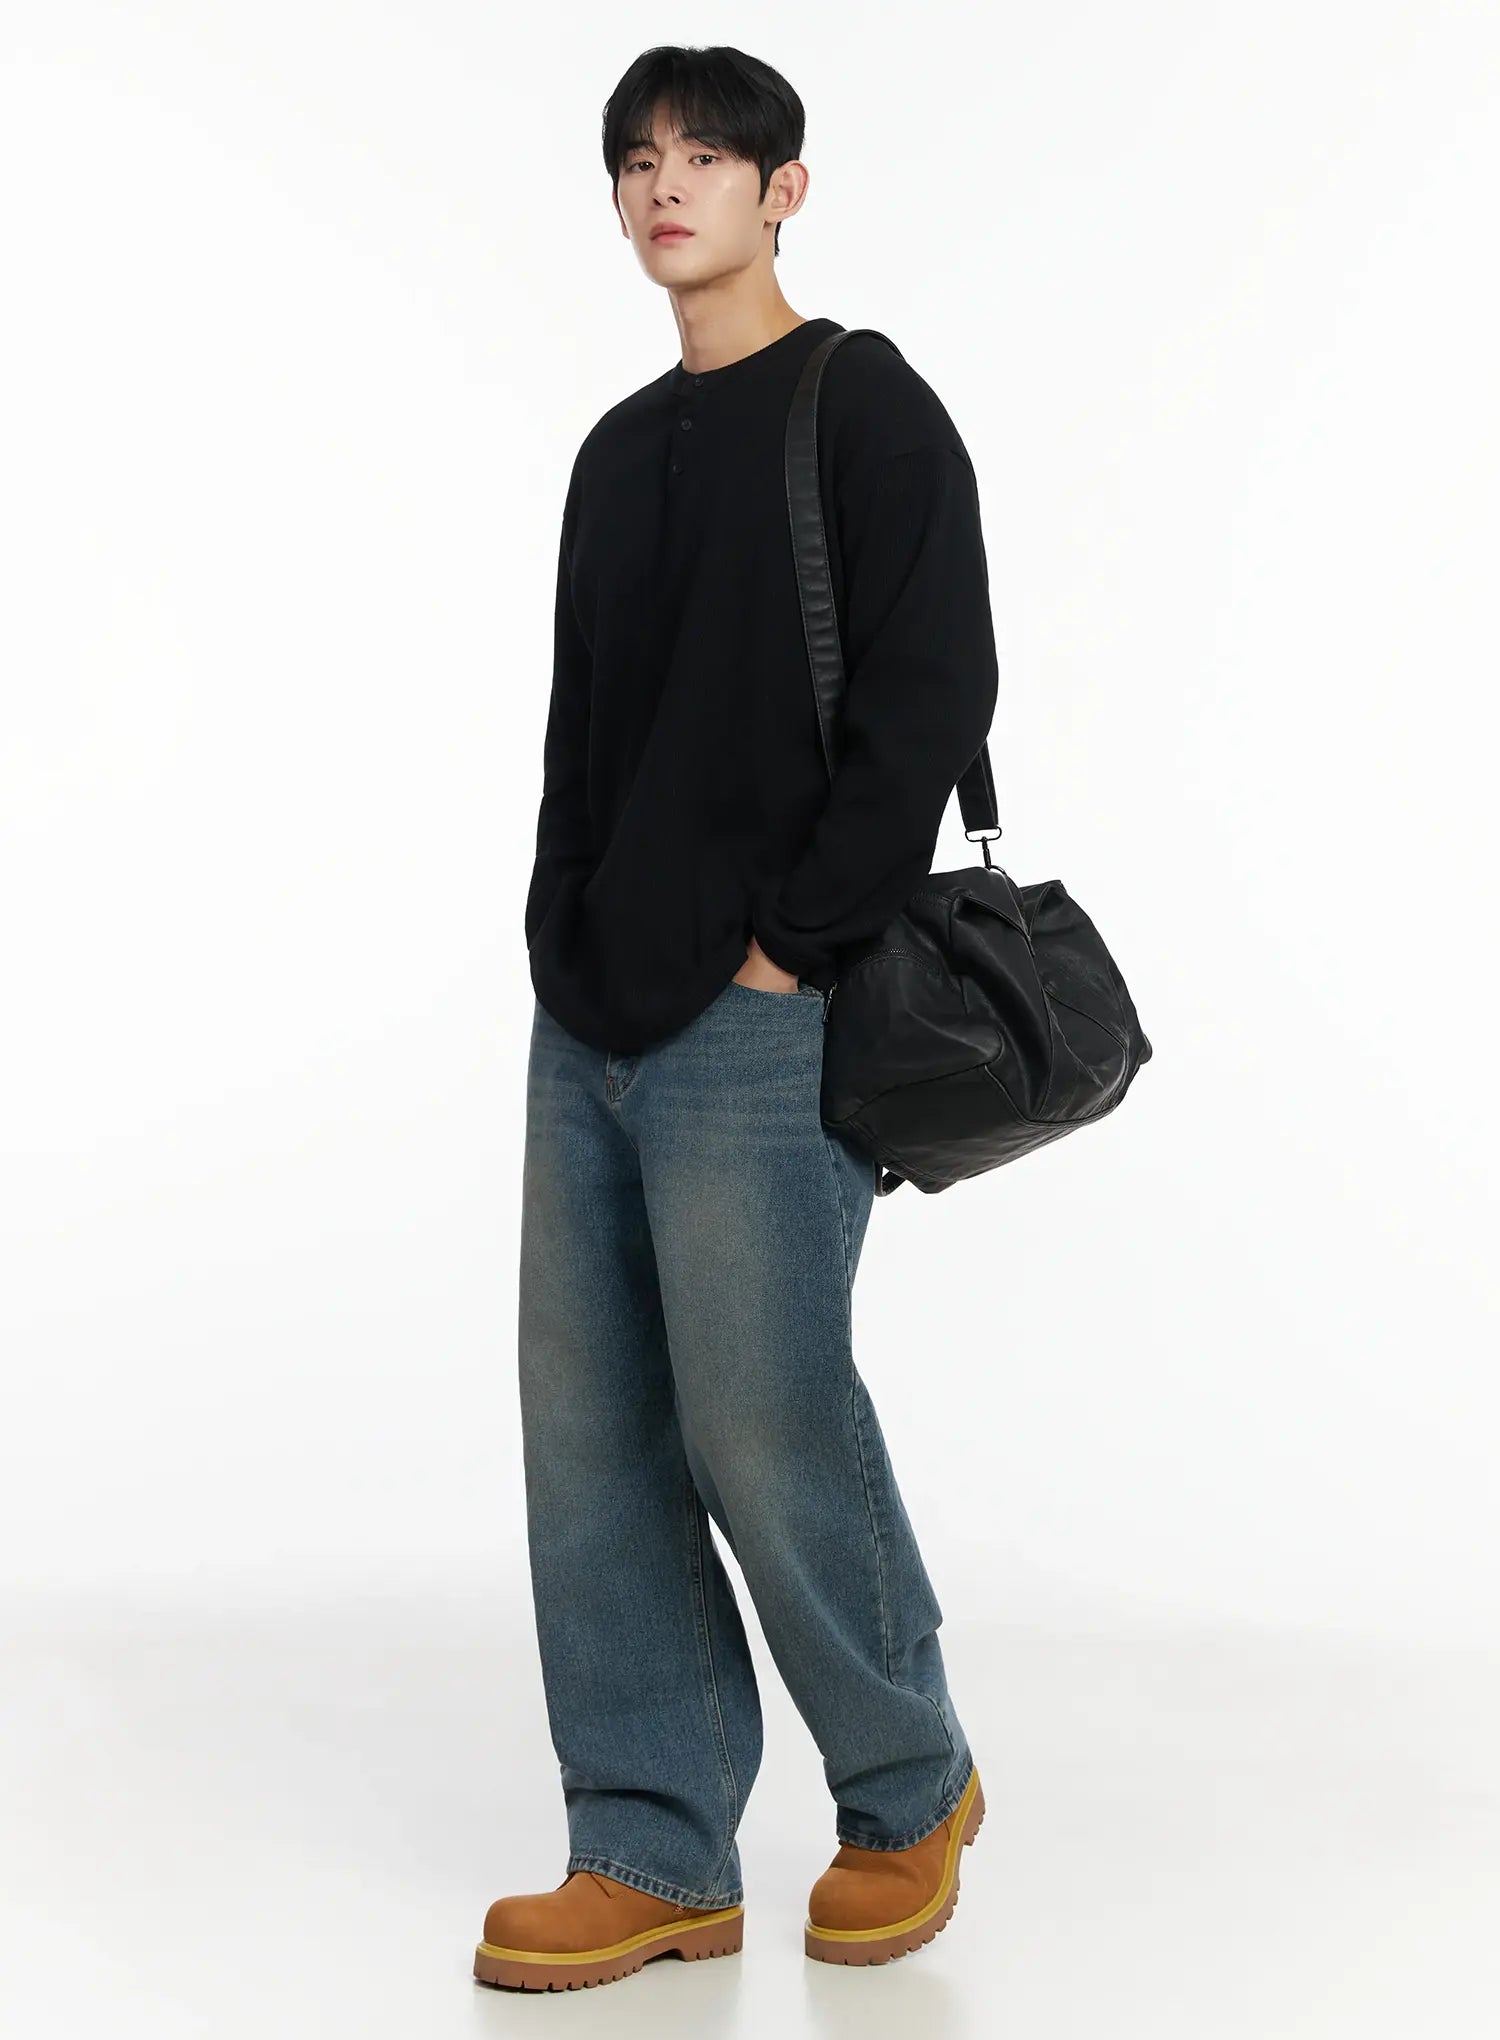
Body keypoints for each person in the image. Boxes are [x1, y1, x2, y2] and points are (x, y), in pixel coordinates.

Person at [474, 42, 998, 1994]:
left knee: (763, 1415)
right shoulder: (619, 454)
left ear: (785, 189)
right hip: (591, 1017)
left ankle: (908, 1784)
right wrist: (559, 934)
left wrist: (795, 944)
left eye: (703, 156)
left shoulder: (863, 404)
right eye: (636, 160)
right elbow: (583, 736)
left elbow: (933, 691)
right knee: (592, 1430)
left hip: (768, 1015)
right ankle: (650, 1845)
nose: (663, 186)